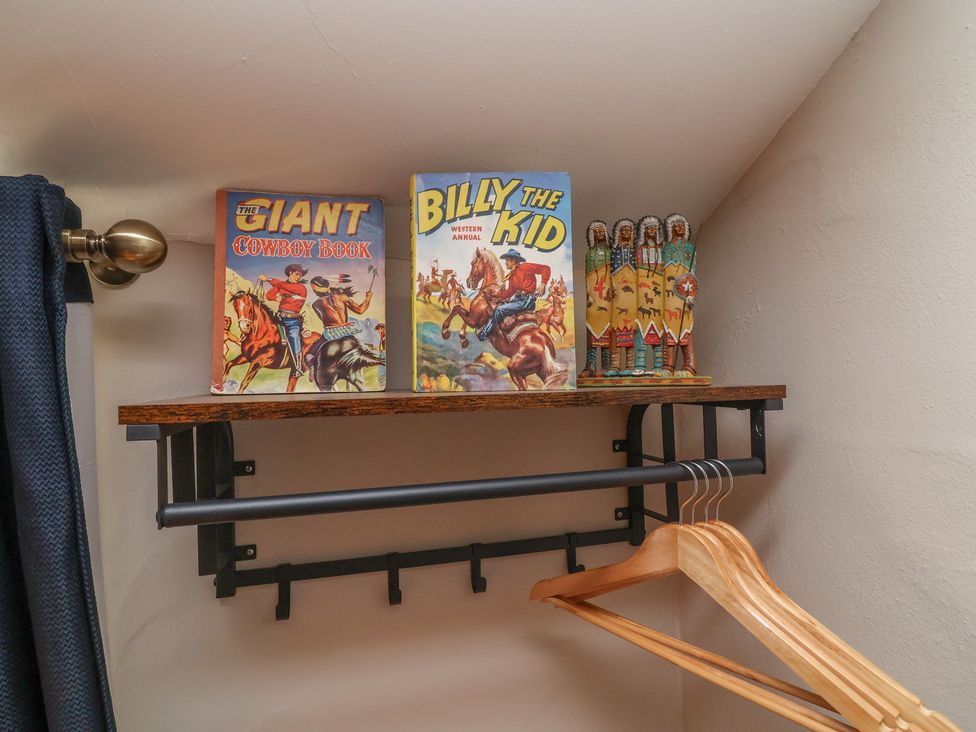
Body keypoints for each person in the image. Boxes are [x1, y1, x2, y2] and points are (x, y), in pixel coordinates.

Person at [477, 249, 550, 341]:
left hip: (526, 301)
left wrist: (543, 284)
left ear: (513, 261)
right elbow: (509, 292)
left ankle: (485, 333)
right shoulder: (511, 276)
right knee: (498, 305)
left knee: (499, 310)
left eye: (507, 260)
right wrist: (495, 294)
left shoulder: (525, 267)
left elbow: (546, 269)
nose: (505, 263)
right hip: (517, 300)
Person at [258, 263, 308, 375]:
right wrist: (276, 298)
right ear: (290, 273)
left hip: (292, 321)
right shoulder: (281, 285)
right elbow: (269, 295)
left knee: (294, 336)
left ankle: (298, 365)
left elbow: (284, 286)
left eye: (300, 275)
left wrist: (267, 279)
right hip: (279, 318)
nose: (299, 277)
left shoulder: (301, 288)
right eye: (297, 274)